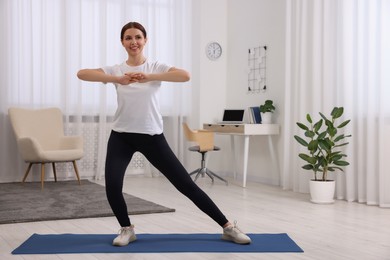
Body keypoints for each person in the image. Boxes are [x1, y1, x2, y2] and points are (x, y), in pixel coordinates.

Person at [77, 21, 251, 247]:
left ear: (145, 40)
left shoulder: (156, 67)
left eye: (138, 37)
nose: (133, 42)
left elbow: (185, 75)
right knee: (112, 185)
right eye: (128, 38)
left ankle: (228, 227)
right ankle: (127, 229)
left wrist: (149, 77)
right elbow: (82, 73)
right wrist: (118, 79)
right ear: (122, 42)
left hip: (152, 137)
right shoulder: (116, 70)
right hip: (121, 136)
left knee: (185, 185)